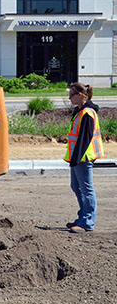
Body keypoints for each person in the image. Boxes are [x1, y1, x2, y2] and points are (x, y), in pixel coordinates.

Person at [64, 82, 104, 233]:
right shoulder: (80, 111)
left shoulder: (88, 113)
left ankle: (87, 222)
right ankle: (83, 217)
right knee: (76, 186)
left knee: (87, 190)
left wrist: (76, 158)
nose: (69, 98)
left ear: (80, 95)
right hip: (77, 157)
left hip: (83, 157)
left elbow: (85, 139)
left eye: (71, 95)